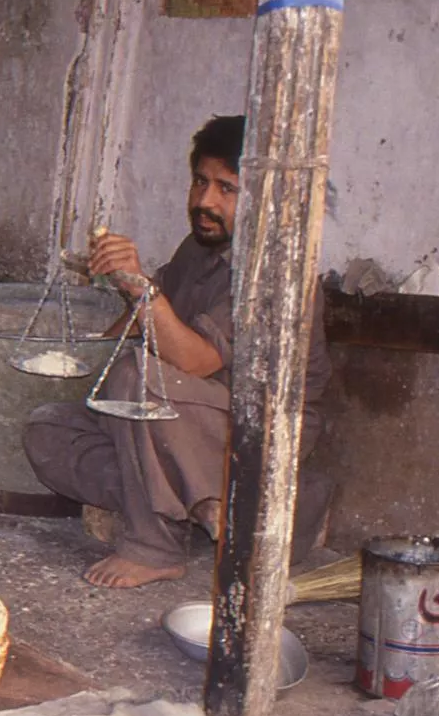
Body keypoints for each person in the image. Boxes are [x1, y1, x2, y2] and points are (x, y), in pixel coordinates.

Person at [22, 116, 331, 589]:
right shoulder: (199, 247)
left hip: (258, 431)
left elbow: (195, 360)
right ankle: (202, 506)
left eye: (227, 189)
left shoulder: (274, 271)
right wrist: (85, 355)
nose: (205, 201)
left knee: (136, 378)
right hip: (181, 419)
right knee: (47, 429)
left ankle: (157, 546)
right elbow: (143, 318)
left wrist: (139, 288)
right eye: (201, 182)